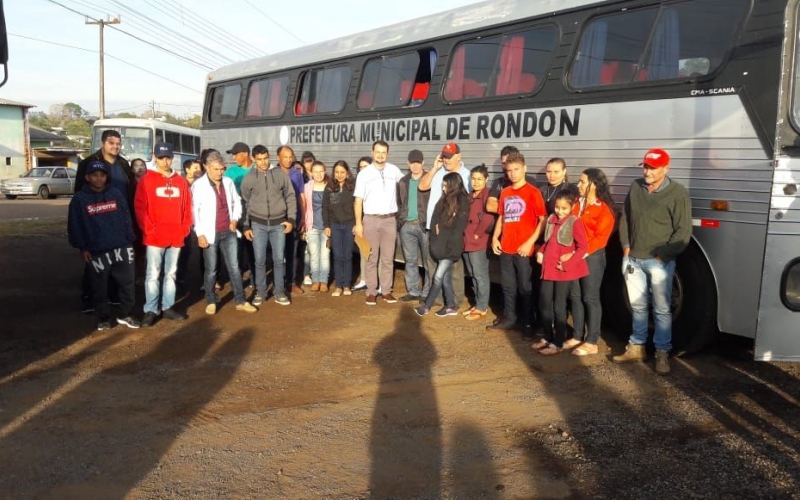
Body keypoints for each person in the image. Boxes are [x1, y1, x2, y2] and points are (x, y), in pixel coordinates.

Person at [613, 148, 692, 375]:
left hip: (659, 263)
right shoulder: (636, 187)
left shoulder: (677, 193)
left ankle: (661, 352)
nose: (647, 171)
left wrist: (662, 256)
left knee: (661, 309)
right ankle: (636, 347)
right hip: (633, 259)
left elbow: (683, 232)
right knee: (638, 306)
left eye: (652, 167)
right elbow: (626, 219)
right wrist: (626, 247)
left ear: (665, 169)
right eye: (645, 166)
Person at [68, 160, 140, 330]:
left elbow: (126, 217)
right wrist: (82, 247)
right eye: (94, 175)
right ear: (87, 177)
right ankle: (104, 317)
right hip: (97, 249)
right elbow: (75, 225)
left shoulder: (115, 194)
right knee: (100, 286)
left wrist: (129, 240)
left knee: (127, 283)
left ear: (106, 177)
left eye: (102, 175)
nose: (99, 179)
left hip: (122, 246)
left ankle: (126, 314)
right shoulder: (79, 199)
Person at [75, 129, 136, 313]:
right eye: (112, 143)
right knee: (95, 262)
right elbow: (79, 193)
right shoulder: (89, 163)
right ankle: (89, 298)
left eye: (118, 144)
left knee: (118, 261)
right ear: (103, 143)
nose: (116, 147)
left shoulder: (124, 164)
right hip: (96, 219)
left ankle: (114, 294)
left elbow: (130, 190)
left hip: (118, 220)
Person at [488, 151, 547, 338]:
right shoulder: (505, 192)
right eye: (509, 170)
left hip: (524, 251)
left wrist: (529, 243)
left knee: (525, 288)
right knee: (508, 287)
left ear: (524, 169)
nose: (512, 173)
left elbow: (542, 220)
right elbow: (502, 218)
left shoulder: (533, 192)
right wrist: (495, 238)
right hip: (506, 247)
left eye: (516, 169)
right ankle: (509, 318)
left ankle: (528, 322)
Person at [134, 142, 193, 327]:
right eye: (161, 158)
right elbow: (139, 207)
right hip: (154, 237)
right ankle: (151, 309)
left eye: (168, 157)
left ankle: (167, 306)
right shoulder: (147, 180)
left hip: (175, 236)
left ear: (172, 158)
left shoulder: (181, 182)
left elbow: (187, 208)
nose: (165, 161)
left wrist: (184, 229)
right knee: (152, 274)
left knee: (171, 274)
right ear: (155, 157)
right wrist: (149, 229)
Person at [192, 152, 257, 315]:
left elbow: (236, 202)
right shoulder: (199, 185)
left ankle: (240, 300)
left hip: (229, 231)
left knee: (234, 267)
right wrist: (199, 234)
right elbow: (194, 212)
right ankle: (211, 300)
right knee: (211, 269)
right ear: (206, 167)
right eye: (216, 169)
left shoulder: (228, 182)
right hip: (209, 233)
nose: (220, 172)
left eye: (222, 169)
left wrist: (235, 219)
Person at [533, 186, 589, 355]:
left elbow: (582, 248)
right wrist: (540, 252)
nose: (559, 211)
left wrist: (567, 264)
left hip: (563, 271)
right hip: (548, 268)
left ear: (572, 207)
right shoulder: (551, 219)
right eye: (557, 207)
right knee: (544, 303)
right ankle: (548, 337)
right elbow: (548, 241)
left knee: (559, 306)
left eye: (564, 208)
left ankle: (557, 342)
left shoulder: (575, 222)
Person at [241, 145, 297, 307]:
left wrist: (291, 219)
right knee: (259, 260)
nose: (263, 162)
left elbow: (290, 196)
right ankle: (261, 291)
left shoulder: (279, 174)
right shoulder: (249, 178)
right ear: (253, 159)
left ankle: (279, 292)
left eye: (265, 158)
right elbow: (244, 203)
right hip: (257, 224)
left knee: (279, 260)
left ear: (269, 156)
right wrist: (246, 226)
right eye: (259, 159)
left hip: (279, 224)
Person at [418, 142, 471, 308]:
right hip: (433, 229)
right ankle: (439, 299)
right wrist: (434, 168)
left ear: (459, 156)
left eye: (450, 157)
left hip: (449, 231)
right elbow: (422, 186)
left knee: (453, 268)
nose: (446, 160)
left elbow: (465, 203)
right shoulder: (439, 172)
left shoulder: (466, 175)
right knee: (432, 265)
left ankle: (455, 300)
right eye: (444, 157)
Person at [570, 168, 616, 356]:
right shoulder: (576, 203)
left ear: (593, 184)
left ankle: (592, 340)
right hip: (574, 256)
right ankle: (577, 334)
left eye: (582, 182)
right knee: (575, 296)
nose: (578, 185)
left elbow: (600, 238)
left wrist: (581, 252)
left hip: (591, 258)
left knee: (590, 297)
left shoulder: (604, 208)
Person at [354, 141, 403, 305]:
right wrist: (359, 223)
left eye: (384, 152)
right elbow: (358, 201)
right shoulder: (364, 174)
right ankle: (371, 291)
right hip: (371, 220)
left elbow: (406, 184)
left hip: (389, 219)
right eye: (378, 152)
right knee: (371, 258)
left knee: (388, 258)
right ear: (372, 152)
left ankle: (386, 291)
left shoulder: (394, 170)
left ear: (387, 154)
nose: (380, 155)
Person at [396, 149, 431, 303]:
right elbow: (399, 202)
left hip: (424, 226)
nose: (415, 166)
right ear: (408, 164)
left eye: (418, 163)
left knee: (428, 260)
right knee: (410, 260)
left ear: (423, 163)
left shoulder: (429, 179)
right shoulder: (403, 182)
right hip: (407, 226)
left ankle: (427, 292)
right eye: (412, 163)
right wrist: (401, 222)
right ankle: (413, 291)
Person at [462, 164, 495, 321]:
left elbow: (489, 217)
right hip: (466, 240)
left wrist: (478, 233)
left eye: (479, 179)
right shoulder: (470, 195)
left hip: (478, 241)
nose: (475, 182)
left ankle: (482, 307)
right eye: (473, 179)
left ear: (486, 180)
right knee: (473, 274)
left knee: (480, 275)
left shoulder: (487, 195)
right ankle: (477, 303)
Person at [224, 141, 256, 287]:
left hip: (255, 214)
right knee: (236, 247)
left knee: (252, 246)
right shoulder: (230, 172)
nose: (234, 157)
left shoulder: (257, 169)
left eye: (236, 154)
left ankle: (253, 274)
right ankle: (237, 278)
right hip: (237, 214)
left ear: (245, 154)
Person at [276, 146, 307, 296]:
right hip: (277, 219)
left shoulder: (297, 174)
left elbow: (302, 197)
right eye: (285, 157)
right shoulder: (272, 173)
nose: (288, 160)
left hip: (294, 218)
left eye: (291, 157)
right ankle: (279, 283)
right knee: (278, 253)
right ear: (278, 158)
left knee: (292, 252)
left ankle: (292, 282)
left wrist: (302, 217)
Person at [323, 161, 356, 296]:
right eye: (337, 172)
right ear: (333, 173)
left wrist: (356, 223)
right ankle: (338, 286)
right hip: (335, 225)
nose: (339, 175)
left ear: (347, 173)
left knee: (347, 255)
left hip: (349, 224)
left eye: (342, 172)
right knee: (337, 255)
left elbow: (358, 206)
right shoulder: (329, 188)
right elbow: (325, 208)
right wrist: (327, 225)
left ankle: (347, 285)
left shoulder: (352, 188)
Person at [177, 158, 205, 295]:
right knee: (182, 252)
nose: (198, 170)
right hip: (183, 222)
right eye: (195, 168)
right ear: (187, 170)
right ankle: (180, 279)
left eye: (199, 167)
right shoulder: (181, 183)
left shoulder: (203, 184)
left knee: (189, 252)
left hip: (198, 221)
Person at [304, 161, 332, 292]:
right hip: (312, 226)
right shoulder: (307, 187)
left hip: (327, 227)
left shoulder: (330, 186)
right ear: (311, 173)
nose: (319, 174)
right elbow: (304, 207)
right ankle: (315, 280)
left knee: (325, 255)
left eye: (321, 171)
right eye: (315, 171)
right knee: (314, 256)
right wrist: (304, 226)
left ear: (325, 171)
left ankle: (324, 281)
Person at [486, 145, 537, 214]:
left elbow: (529, 207)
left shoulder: (530, 181)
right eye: (504, 163)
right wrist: (515, 208)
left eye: (509, 162)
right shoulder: (498, 182)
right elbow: (490, 206)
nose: (507, 166)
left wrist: (501, 203)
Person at [353, 156, 373, 291]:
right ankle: (364, 279)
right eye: (360, 167)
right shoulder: (358, 183)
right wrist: (357, 222)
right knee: (363, 251)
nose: (363, 169)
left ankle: (374, 280)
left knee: (374, 253)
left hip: (373, 220)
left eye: (366, 166)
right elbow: (355, 204)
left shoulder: (375, 183)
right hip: (361, 221)